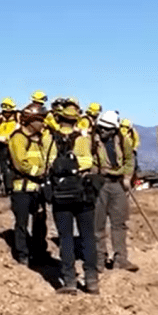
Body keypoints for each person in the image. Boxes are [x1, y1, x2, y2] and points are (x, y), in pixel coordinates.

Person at [47, 102, 98, 295]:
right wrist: (75, 167)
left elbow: (47, 163)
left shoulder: (49, 138)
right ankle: (92, 280)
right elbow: (88, 161)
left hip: (60, 195)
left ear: (58, 118)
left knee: (65, 237)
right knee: (87, 237)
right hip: (82, 192)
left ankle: (69, 280)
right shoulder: (82, 139)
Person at [92, 111, 137, 273]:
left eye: (106, 128)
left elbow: (129, 160)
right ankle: (99, 259)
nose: (102, 131)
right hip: (99, 185)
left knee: (119, 223)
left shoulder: (123, 140)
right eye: (101, 127)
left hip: (117, 184)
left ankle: (120, 258)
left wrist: (126, 177)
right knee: (98, 224)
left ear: (113, 130)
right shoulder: (91, 140)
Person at [8, 103, 51, 266]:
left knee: (40, 222)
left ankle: (40, 253)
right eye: (40, 120)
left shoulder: (39, 139)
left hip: (37, 189)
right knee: (22, 223)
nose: (43, 124)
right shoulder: (18, 138)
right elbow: (21, 164)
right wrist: (40, 171)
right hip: (22, 189)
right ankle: (23, 254)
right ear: (31, 121)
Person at [0, 98, 19, 194]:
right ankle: (0, 185)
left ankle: (10, 186)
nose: (7, 114)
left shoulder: (17, 121)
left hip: (12, 146)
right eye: (5, 111)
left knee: (10, 166)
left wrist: (7, 137)